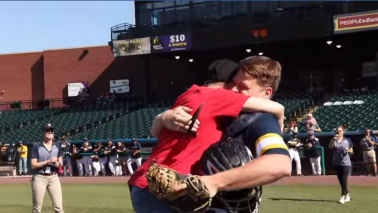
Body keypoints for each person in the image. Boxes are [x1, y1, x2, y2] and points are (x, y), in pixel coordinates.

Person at [128, 56, 289, 213]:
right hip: (168, 188)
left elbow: (155, 133)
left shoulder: (189, 95)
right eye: (232, 84)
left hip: (149, 183)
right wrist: (280, 115)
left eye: (243, 87)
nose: (234, 90)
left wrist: (161, 119)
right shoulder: (218, 97)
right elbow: (277, 110)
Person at [30, 124, 64, 213]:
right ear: (44, 132)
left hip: (53, 177)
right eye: (47, 130)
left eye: (51, 131)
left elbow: (60, 163)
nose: (49, 132)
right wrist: (48, 161)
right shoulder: (37, 146)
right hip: (40, 177)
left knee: (59, 207)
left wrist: (57, 163)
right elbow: (33, 165)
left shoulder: (57, 145)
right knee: (37, 209)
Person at [328, 126, 353, 204]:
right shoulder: (333, 140)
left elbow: (352, 151)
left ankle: (343, 196)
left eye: (340, 131)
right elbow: (330, 147)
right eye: (337, 131)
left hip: (345, 163)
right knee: (341, 181)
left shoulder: (347, 140)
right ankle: (347, 195)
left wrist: (348, 150)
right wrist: (333, 140)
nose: (338, 133)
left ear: (343, 132)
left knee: (344, 179)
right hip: (336, 162)